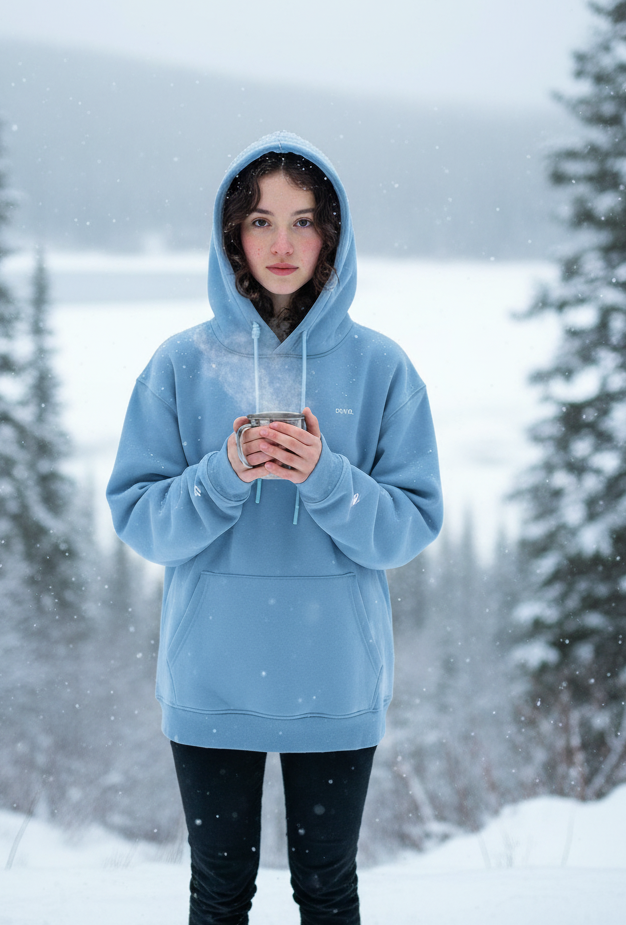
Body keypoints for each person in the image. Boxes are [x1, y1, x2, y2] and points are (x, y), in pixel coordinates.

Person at [107, 132, 442, 925]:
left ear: (332, 232)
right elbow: (142, 521)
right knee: (219, 894)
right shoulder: (180, 363)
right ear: (232, 235)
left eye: (302, 220)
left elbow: (408, 527)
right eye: (260, 222)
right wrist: (226, 472)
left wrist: (323, 475)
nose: (282, 243)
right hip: (210, 676)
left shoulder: (382, 367)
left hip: (336, 678)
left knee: (327, 890)